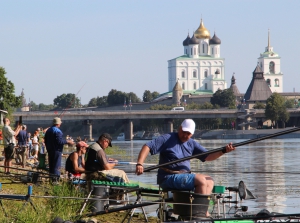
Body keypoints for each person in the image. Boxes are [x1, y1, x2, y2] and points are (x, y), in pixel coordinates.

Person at [135, 119, 235, 195]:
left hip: (184, 176)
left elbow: (208, 156)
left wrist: (223, 151)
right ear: (180, 128)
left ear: (192, 134)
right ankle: (199, 213)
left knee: (209, 180)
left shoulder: (192, 144)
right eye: (184, 132)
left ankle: (202, 211)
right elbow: (147, 146)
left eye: (188, 133)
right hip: (167, 178)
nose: (185, 135)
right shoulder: (167, 138)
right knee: (201, 180)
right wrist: (140, 163)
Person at [44, 117, 74, 182]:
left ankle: (51, 179)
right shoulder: (57, 131)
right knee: (57, 166)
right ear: (58, 123)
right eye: (60, 122)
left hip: (50, 150)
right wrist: (68, 141)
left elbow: (45, 141)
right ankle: (55, 180)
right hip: (57, 151)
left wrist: (48, 148)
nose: (61, 123)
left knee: (51, 165)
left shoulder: (48, 130)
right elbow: (59, 142)